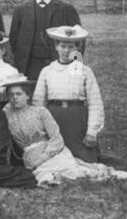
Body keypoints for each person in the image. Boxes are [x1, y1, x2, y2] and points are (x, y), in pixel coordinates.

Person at [1, 76, 127, 185]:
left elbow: (57, 139)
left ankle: (112, 174)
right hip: (30, 158)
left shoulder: (40, 112)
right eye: (11, 95)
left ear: (27, 96)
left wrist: (43, 157)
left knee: (76, 174)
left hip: (53, 153)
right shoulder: (6, 114)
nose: (14, 98)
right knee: (46, 178)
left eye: (19, 94)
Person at [31, 24, 107, 164]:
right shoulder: (47, 71)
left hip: (77, 121)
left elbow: (95, 102)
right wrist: (40, 128)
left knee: (84, 160)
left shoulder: (85, 71)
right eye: (63, 46)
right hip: (54, 119)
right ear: (56, 47)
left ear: (77, 48)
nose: (66, 51)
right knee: (53, 160)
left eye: (71, 47)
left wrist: (92, 131)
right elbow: (38, 102)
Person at [8, 0, 82, 79]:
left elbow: (79, 41)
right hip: (29, 66)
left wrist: (75, 67)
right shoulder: (20, 11)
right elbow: (13, 41)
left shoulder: (66, 9)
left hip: (59, 63)